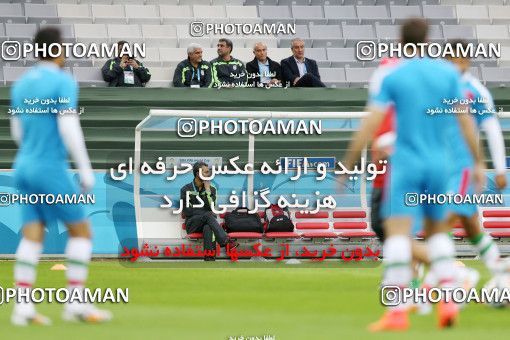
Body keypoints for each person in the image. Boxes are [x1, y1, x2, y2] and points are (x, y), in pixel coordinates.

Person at [343, 18, 484, 332]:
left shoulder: (394, 75)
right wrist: (477, 162)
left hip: (407, 162)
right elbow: (464, 121)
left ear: (399, 40)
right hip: (440, 163)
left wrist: (350, 160)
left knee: (396, 233)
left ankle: (397, 312)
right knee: (436, 234)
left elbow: (372, 120)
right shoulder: (447, 74)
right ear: (427, 40)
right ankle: (448, 297)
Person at [10, 27, 111, 326]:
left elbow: (17, 131)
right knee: (82, 232)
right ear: (57, 50)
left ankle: (23, 308)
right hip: (49, 167)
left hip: (23, 165)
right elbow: (69, 127)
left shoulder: (22, 84)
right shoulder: (62, 81)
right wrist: (84, 167)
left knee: (32, 234)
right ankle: (75, 303)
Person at [443, 39, 508, 276]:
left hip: (463, 166)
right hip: (439, 164)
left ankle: (437, 273)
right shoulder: (439, 88)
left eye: (461, 60)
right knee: (469, 224)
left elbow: (491, 128)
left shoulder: (476, 91)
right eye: (452, 59)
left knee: (443, 216)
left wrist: (499, 169)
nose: (457, 64)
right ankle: (501, 271)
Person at [180, 162, 239, 261]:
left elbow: (211, 207)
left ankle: (209, 257)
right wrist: (204, 213)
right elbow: (187, 211)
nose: (209, 174)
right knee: (208, 215)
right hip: (192, 224)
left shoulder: (212, 189)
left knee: (208, 227)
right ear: (198, 174)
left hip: (207, 222)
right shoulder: (185, 189)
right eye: (206, 172)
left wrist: (207, 190)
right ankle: (226, 241)